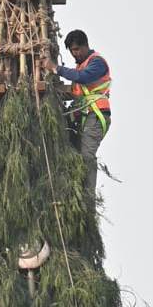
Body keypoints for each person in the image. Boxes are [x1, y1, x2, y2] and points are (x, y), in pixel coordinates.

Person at [57, 29, 111, 201]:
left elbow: (84, 77)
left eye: (77, 49)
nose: (75, 53)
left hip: (96, 115)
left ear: (86, 46)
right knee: (73, 152)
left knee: (87, 155)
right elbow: (75, 91)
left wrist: (56, 68)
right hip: (84, 117)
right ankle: (76, 190)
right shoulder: (79, 67)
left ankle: (87, 198)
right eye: (72, 51)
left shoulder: (96, 63)